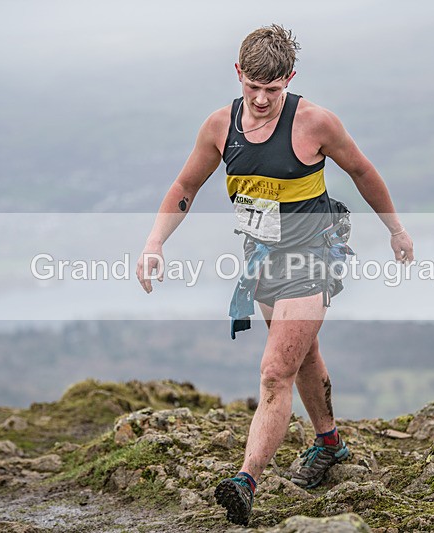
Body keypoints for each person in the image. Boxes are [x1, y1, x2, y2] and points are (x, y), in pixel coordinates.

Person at [136, 24, 414, 526]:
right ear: (238, 74)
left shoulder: (316, 123)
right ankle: (329, 443)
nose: (262, 100)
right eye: (253, 88)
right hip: (263, 260)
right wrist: (155, 241)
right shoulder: (220, 127)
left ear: (290, 77)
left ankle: (245, 480)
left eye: (274, 89)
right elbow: (185, 183)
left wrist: (396, 231)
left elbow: (363, 172)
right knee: (301, 354)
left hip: (315, 254)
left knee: (273, 371)